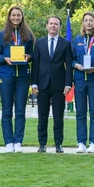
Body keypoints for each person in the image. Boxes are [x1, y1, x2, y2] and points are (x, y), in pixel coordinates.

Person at [0, 6, 35, 153]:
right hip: (6, 75)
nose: (16, 17)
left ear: (22, 17)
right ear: (9, 17)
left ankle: (18, 141)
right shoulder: (2, 34)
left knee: (20, 111)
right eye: (13, 15)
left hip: (22, 76)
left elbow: (32, 54)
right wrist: (4, 59)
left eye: (18, 15)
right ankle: (8, 142)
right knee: (6, 110)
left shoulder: (28, 35)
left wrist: (29, 57)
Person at [31, 16, 73, 153]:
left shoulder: (65, 44)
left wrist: (68, 84)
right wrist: (34, 83)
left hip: (59, 86)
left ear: (59, 27)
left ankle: (58, 144)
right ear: (47, 25)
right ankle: (42, 144)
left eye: (56, 24)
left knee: (58, 117)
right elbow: (35, 64)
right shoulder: (40, 43)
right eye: (51, 24)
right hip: (42, 85)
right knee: (42, 116)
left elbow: (68, 66)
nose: (53, 26)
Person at [72, 12, 94, 153]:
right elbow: (71, 59)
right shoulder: (77, 39)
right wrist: (76, 65)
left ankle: (93, 142)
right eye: (86, 20)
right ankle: (81, 142)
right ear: (83, 23)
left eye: (91, 20)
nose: (89, 23)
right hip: (79, 79)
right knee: (80, 112)